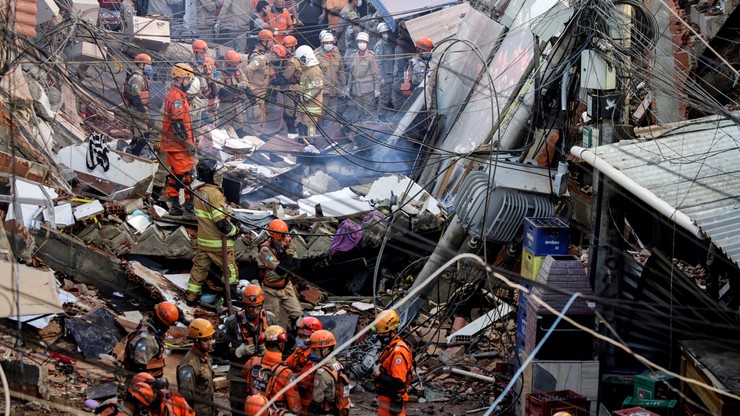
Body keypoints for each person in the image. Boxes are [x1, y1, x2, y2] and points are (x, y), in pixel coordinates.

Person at [186, 159, 239, 305]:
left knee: (198, 270)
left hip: (203, 241)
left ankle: (191, 299)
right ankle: (232, 299)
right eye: (217, 173)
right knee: (230, 271)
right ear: (210, 175)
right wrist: (235, 231)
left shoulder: (199, 191)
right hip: (218, 244)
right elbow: (222, 223)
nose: (219, 176)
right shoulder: (214, 194)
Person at [224, 284, 278, 414]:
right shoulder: (232, 322)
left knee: (263, 409)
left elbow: (280, 345)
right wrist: (237, 352)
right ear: (244, 305)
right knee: (238, 409)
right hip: (239, 375)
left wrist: (268, 351)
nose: (254, 310)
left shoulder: (270, 319)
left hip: (263, 373)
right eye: (250, 307)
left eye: (257, 307)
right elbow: (219, 349)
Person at [162, 63, 197, 220]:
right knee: (188, 176)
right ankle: (189, 209)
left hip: (175, 145)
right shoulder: (176, 97)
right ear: (180, 78)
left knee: (175, 176)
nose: (189, 83)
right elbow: (177, 122)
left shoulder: (178, 95)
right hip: (178, 146)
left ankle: (175, 207)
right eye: (188, 79)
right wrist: (187, 143)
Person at [243, 325, 302, 414]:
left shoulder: (252, 362)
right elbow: (295, 406)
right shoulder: (286, 374)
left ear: (265, 344)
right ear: (282, 345)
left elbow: (245, 375)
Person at [258, 219, 303, 329]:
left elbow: (296, 265)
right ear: (272, 237)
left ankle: (296, 338)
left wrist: (281, 274)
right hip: (271, 290)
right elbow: (280, 269)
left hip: (286, 286)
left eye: (283, 238)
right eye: (279, 239)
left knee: (298, 315)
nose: (282, 241)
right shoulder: (265, 250)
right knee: (273, 321)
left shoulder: (287, 243)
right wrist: (288, 255)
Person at [117, 302, 179, 381]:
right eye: (166, 326)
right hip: (141, 379)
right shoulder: (147, 340)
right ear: (161, 323)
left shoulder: (148, 326)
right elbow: (139, 368)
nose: (167, 329)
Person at [373, 309, 413, 416]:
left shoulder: (398, 352)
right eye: (380, 333)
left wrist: (378, 374)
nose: (381, 336)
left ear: (393, 331)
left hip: (392, 402)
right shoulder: (390, 347)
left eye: (384, 333)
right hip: (385, 401)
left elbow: (398, 382)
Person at [307, 330, 350, 416]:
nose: (311, 352)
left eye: (314, 350)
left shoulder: (322, 373)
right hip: (338, 408)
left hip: (326, 410)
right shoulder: (337, 364)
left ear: (325, 350)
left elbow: (317, 399)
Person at [178, 319, 216, 416]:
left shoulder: (205, 357)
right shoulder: (189, 365)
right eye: (205, 340)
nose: (210, 343)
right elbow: (186, 397)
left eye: (211, 338)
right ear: (196, 341)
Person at [284, 317, 322, 413]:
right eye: (298, 335)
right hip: (297, 395)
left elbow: (303, 381)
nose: (298, 339)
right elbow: (286, 364)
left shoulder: (314, 356)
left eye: (301, 336)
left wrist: (290, 375)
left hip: (307, 399)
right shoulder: (300, 350)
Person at [123, 53, 153, 157]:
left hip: (138, 109)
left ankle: (130, 149)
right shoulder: (137, 78)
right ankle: (134, 156)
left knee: (137, 134)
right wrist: (143, 111)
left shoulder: (141, 77)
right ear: (141, 64)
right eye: (148, 65)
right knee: (145, 135)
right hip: (137, 110)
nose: (150, 67)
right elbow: (135, 97)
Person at [314, 31, 345, 126]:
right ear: (322, 43)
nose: (329, 45)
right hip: (322, 93)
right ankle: (318, 137)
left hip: (334, 91)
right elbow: (313, 76)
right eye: (326, 43)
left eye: (331, 43)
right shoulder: (316, 55)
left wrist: (343, 87)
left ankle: (329, 138)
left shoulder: (336, 53)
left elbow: (341, 71)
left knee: (331, 117)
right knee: (320, 117)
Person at [216, 50, 250, 137]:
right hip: (225, 106)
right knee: (223, 131)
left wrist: (236, 86)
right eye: (233, 65)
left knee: (239, 128)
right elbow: (221, 90)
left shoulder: (238, 71)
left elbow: (245, 83)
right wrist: (238, 87)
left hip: (237, 104)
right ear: (227, 63)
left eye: (236, 65)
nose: (235, 67)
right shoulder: (219, 73)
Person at [347, 31, 380, 120]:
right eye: (360, 42)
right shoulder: (353, 55)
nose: (362, 44)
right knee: (360, 113)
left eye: (364, 42)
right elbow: (351, 73)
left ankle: (372, 131)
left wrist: (377, 89)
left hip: (368, 90)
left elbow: (376, 74)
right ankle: (363, 131)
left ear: (367, 43)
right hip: (356, 89)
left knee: (369, 113)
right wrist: (348, 87)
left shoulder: (371, 56)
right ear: (357, 43)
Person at [246, 30, 275, 128]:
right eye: (270, 41)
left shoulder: (264, 54)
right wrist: (250, 84)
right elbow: (249, 69)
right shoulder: (257, 56)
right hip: (257, 89)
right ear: (264, 42)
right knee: (257, 115)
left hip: (262, 89)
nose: (272, 43)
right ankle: (256, 134)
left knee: (262, 113)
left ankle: (260, 132)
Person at [271, 42, 300, 134]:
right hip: (288, 89)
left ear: (293, 47)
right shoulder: (287, 59)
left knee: (290, 114)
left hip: (291, 89)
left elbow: (285, 77)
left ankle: (293, 135)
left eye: (288, 48)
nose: (286, 49)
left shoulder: (291, 61)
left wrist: (274, 81)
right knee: (288, 113)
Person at [294, 45, 323, 136]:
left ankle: (311, 144)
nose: (298, 62)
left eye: (299, 60)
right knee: (302, 124)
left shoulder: (314, 70)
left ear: (304, 59)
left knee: (310, 126)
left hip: (312, 106)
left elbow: (317, 88)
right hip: (304, 105)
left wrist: (303, 97)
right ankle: (303, 143)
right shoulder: (305, 71)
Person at [189, 40, 210, 131]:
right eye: (202, 54)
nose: (204, 56)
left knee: (203, 125)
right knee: (193, 125)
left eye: (205, 53)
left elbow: (211, 81)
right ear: (195, 52)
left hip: (203, 99)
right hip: (194, 101)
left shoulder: (205, 66)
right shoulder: (189, 67)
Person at [373, 22, 394, 114]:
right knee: (384, 97)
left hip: (391, 73)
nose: (386, 34)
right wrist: (382, 77)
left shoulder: (389, 44)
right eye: (383, 33)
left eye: (386, 32)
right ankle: (380, 115)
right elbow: (378, 64)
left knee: (392, 97)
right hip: (385, 75)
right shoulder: (379, 46)